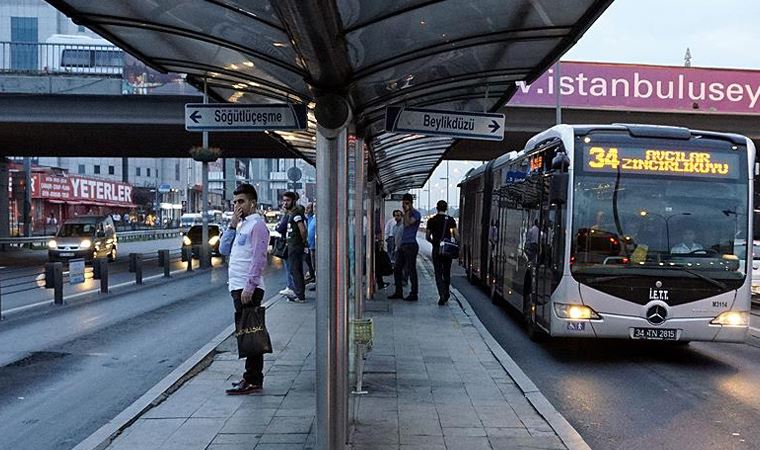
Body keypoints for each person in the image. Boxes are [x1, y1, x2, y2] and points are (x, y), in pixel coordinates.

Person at [219, 183, 270, 395]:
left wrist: (249, 286)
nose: (237, 206)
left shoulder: (258, 225)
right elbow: (223, 249)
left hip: (248, 288)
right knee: (246, 332)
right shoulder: (242, 225)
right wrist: (231, 224)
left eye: (241, 201)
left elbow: (259, 258)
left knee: (251, 334)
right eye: (235, 202)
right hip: (238, 286)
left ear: (252, 203)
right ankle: (250, 377)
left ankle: (253, 379)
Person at [388, 193, 421, 301]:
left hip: (411, 244)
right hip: (403, 244)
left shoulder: (415, 214)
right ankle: (398, 291)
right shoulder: (404, 214)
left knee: (411, 269)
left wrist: (406, 212)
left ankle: (414, 293)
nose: (404, 205)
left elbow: (407, 224)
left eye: (406, 203)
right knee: (397, 268)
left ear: (411, 203)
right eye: (403, 203)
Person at [426, 200, 459, 305]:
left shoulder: (432, 220)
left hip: (436, 249)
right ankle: (446, 291)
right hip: (447, 250)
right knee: (447, 272)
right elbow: (456, 235)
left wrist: (434, 242)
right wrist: (455, 243)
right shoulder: (450, 220)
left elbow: (427, 236)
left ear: (437, 208)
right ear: (446, 208)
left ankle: (442, 294)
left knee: (438, 273)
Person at [282, 191, 308, 303]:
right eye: (284, 200)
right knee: (295, 270)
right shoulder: (291, 213)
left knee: (295, 270)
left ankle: (299, 295)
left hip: (295, 246)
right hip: (292, 245)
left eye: (287, 200)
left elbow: (302, 229)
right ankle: (299, 293)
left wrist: (302, 241)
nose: (285, 203)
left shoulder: (296, 214)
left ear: (293, 201)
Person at [275, 205, 296, 299]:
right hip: (291, 243)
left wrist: (278, 226)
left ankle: (291, 287)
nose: (283, 206)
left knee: (289, 267)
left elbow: (280, 228)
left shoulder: (287, 216)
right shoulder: (290, 216)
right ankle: (292, 287)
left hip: (288, 244)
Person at [306, 202, 317, 291]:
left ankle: (317, 281)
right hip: (311, 245)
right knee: (313, 264)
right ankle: (315, 279)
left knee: (316, 264)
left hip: (316, 246)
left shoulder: (319, 218)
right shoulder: (311, 218)